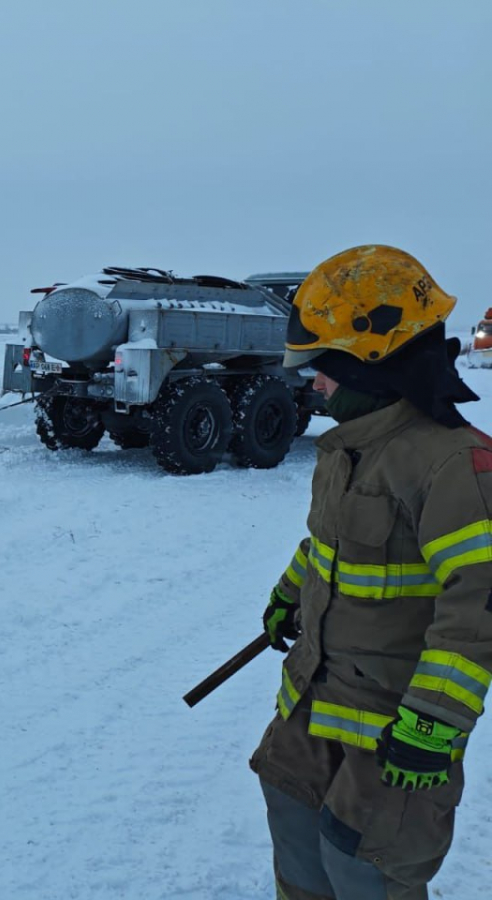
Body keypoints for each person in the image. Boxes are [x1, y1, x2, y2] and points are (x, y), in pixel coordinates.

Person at [250, 245, 491, 899]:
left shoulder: (452, 465)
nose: (312, 382)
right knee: (292, 816)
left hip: (395, 725)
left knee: (364, 868)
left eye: (321, 367)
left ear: (374, 361)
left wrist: (435, 721)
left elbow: (479, 604)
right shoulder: (346, 449)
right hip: (316, 696)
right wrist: (289, 595)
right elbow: (327, 546)